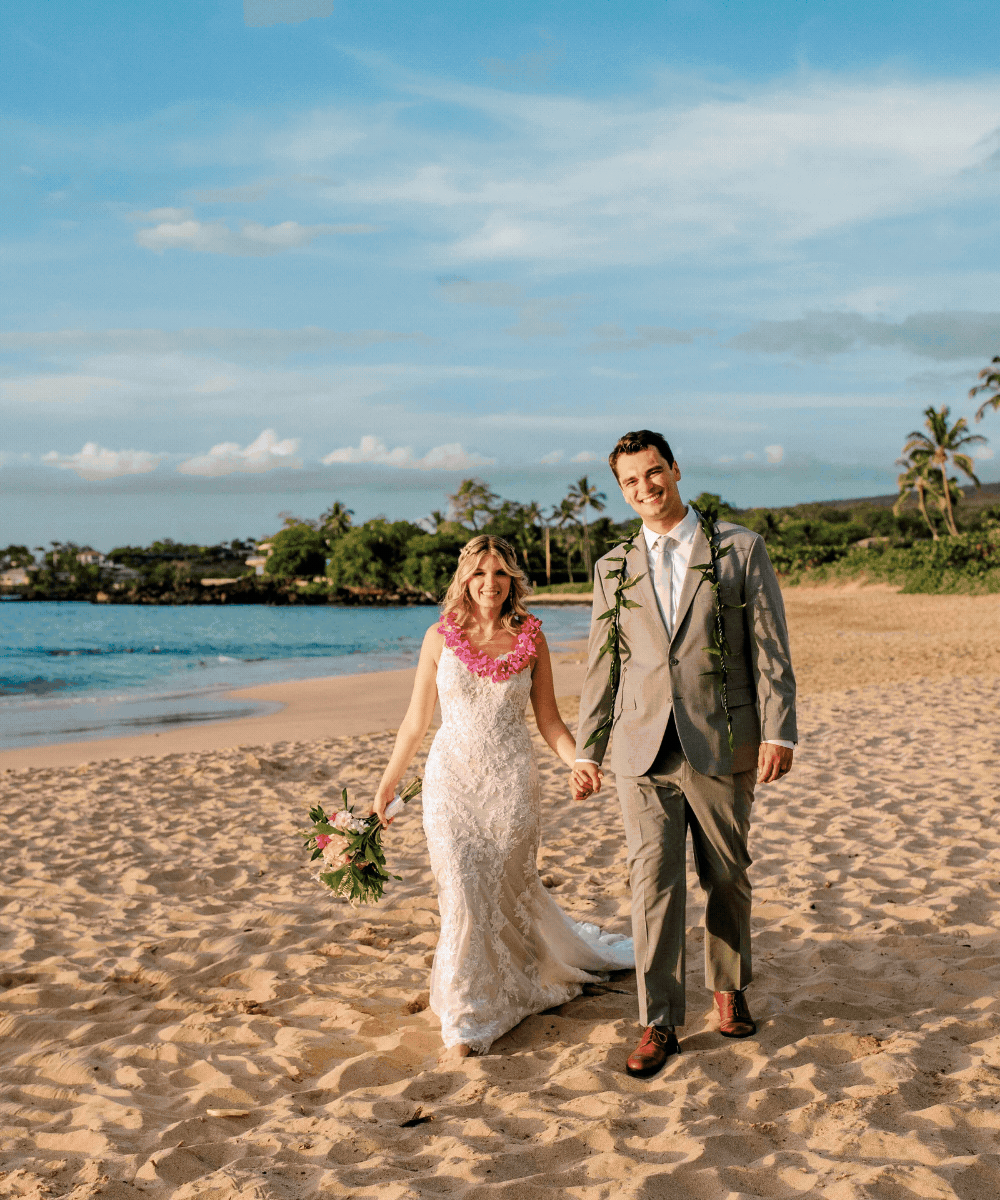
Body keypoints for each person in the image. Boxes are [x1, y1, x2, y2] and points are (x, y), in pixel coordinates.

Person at [573, 430, 796, 1079]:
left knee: (726, 874)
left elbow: (770, 649)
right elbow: (602, 664)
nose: (645, 488)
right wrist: (589, 750)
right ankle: (659, 1021)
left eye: (652, 473)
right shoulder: (612, 568)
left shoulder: (738, 549)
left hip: (723, 740)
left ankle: (728, 985)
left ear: (674, 468)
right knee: (654, 886)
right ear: (621, 489)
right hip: (640, 751)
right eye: (631, 481)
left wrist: (780, 732)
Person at [372, 534, 632, 1062]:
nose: (490, 584)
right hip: (450, 784)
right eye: (479, 574)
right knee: (464, 892)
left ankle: (516, 983)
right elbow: (416, 721)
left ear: (513, 579)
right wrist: (387, 783)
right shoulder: (439, 637)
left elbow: (550, 722)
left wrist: (579, 760)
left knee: (506, 890)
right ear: (464, 580)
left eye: (500, 573)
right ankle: (468, 1014)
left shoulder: (531, 638)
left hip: (512, 785)